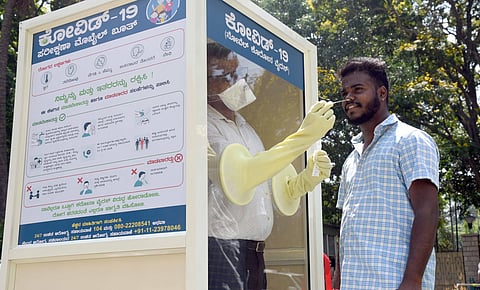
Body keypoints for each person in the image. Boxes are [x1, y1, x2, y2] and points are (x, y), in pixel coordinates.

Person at [207, 42, 335, 290]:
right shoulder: (204, 126)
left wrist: (299, 184)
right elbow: (240, 176)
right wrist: (304, 137)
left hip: (253, 252)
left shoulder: (245, 127)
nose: (236, 81)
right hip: (221, 247)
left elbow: (260, 182)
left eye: (236, 72)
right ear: (204, 82)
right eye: (223, 76)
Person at [334, 57, 439, 289]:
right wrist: (338, 281)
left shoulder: (410, 140)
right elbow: (346, 228)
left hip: (393, 282)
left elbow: (427, 211)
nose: (349, 98)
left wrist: (412, 281)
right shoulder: (351, 160)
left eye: (358, 89)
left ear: (382, 93)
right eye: (345, 92)